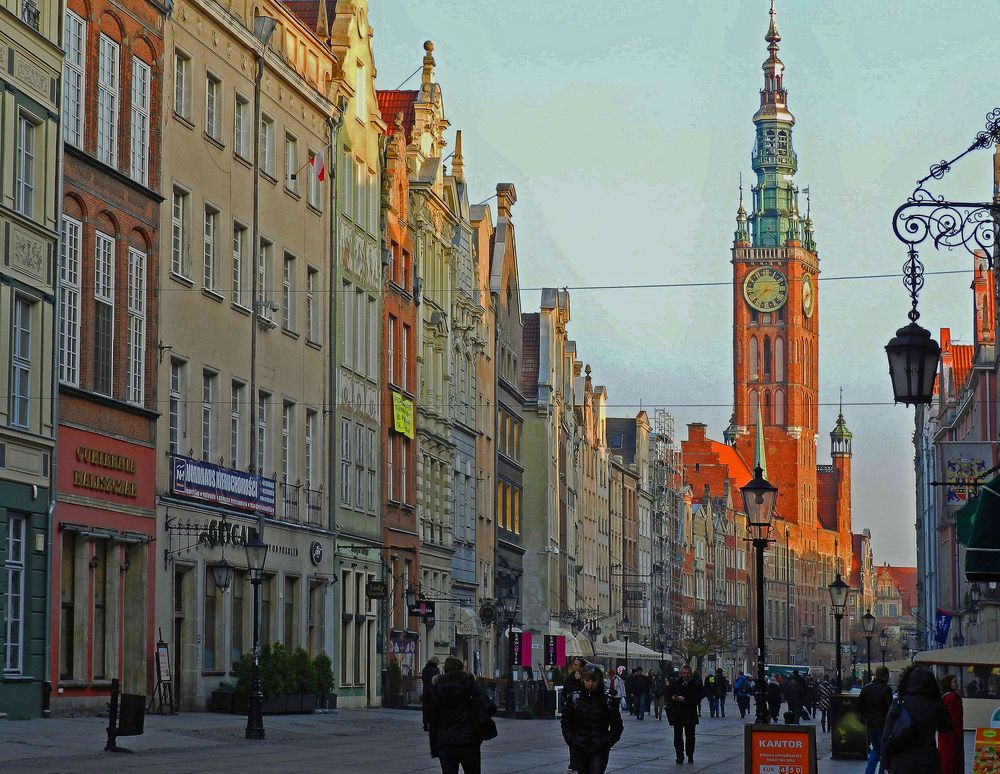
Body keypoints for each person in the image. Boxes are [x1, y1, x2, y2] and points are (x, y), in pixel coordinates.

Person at [426, 656, 497, 774]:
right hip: (468, 741)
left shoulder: (437, 688)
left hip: (446, 742)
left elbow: (432, 721)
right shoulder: (469, 684)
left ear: (445, 669)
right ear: (461, 669)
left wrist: (435, 748)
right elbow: (489, 707)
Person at [880, 665, 951, 774]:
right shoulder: (935, 706)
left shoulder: (899, 703)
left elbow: (886, 736)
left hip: (901, 761)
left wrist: (885, 764)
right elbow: (946, 727)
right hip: (927, 761)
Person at [561, 664, 624, 774]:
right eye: (587, 680)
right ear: (583, 680)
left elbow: (617, 726)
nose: (590, 683)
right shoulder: (575, 699)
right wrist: (571, 739)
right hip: (579, 747)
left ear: (599, 681)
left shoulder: (608, 701)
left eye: (594, 680)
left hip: (599, 748)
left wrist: (606, 742)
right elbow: (566, 721)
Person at [858, 665, 893, 774]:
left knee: (876, 750)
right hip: (883, 725)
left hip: (870, 724)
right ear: (885, 676)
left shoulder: (866, 689)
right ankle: (881, 772)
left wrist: (866, 719)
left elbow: (860, 707)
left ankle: (869, 772)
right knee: (883, 752)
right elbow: (889, 709)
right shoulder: (886, 690)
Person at [667, 665, 702, 764]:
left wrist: (685, 699)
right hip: (678, 713)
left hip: (690, 714)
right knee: (677, 736)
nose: (686, 675)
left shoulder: (695, 684)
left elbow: (697, 698)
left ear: (690, 674)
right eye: (684, 673)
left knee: (690, 736)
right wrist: (673, 697)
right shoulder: (675, 683)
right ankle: (679, 755)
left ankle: (690, 754)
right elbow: (668, 693)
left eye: (688, 673)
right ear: (681, 673)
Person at [938, 674, 964, 774]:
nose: (957, 684)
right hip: (952, 736)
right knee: (953, 762)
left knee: (945, 761)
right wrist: (958, 734)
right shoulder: (954, 698)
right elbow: (955, 719)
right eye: (954, 681)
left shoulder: (943, 697)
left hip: (943, 735)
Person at [422, 657, 441, 731]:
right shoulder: (436, 670)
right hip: (433, 692)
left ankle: (425, 724)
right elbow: (437, 681)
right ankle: (432, 723)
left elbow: (424, 680)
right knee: (432, 709)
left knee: (425, 708)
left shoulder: (424, 669)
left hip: (426, 691)